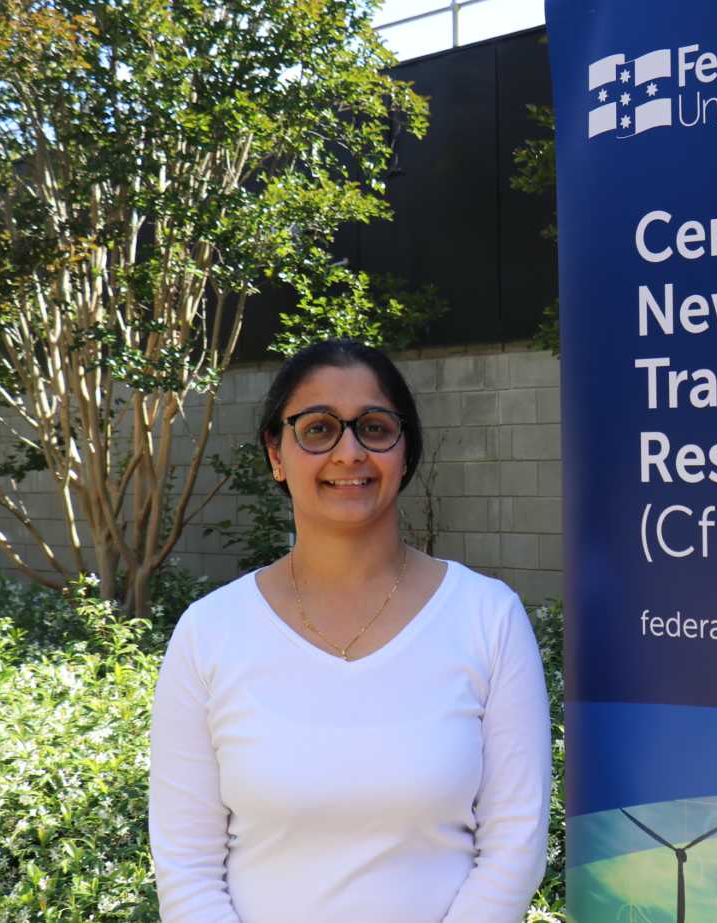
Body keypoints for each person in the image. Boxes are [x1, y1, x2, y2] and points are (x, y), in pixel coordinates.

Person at [149, 339, 551, 922]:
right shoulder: (209, 632)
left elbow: (515, 843)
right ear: (276, 452)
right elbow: (186, 865)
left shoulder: (488, 618)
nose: (349, 452)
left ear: (404, 450)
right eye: (317, 429)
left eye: (374, 426)